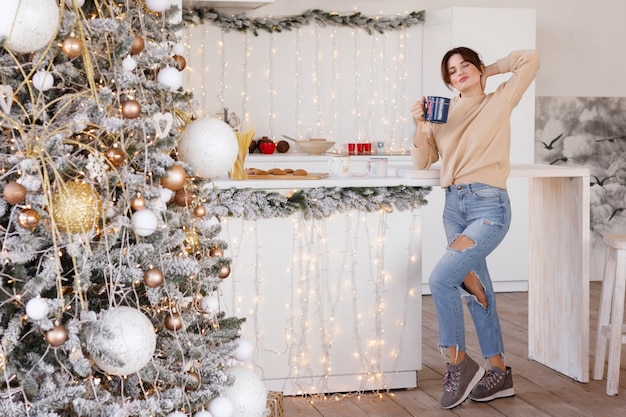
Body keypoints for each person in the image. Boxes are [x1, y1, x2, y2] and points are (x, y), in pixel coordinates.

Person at [410, 47, 539, 409]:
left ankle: (458, 363)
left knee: (439, 279)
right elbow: (423, 161)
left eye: (466, 65)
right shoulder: (442, 112)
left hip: (488, 206)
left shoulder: (500, 99)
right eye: (452, 70)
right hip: (454, 207)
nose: (459, 73)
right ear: (447, 81)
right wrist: (421, 126)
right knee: (475, 289)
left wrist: (490, 71)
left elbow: (531, 58)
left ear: (478, 69)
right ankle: (498, 371)